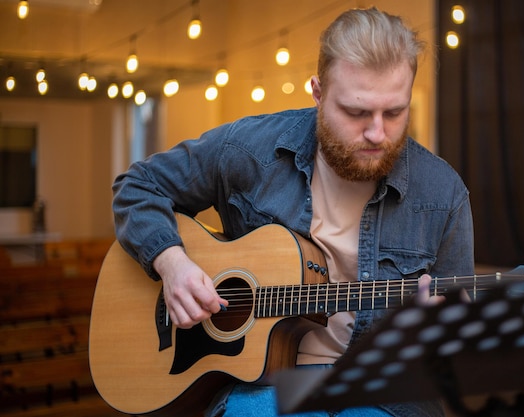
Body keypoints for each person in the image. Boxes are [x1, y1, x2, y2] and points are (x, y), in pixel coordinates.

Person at [112, 7, 474, 417]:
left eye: (394, 112)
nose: (377, 133)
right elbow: (137, 186)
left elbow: (453, 343)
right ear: (318, 93)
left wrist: (440, 330)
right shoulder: (247, 150)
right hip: (261, 382)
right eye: (356, 112)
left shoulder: (443, 193)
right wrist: (172, 263)